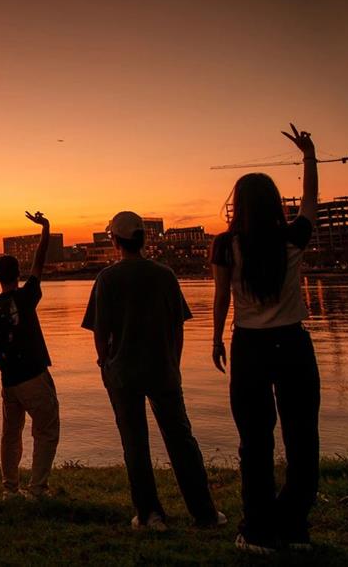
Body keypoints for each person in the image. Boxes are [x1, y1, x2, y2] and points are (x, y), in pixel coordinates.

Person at [211, 124, 321, 554]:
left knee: (254, 441)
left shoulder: (226, 246)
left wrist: (216, 338)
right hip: (293, 345)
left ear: (238, 206)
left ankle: (258, 530)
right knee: (302, 436)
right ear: (276, 204)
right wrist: (309, 155)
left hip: (251, 346)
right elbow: (311, 202)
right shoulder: (293, 239)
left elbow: (222, 296)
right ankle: (294, 526)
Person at [82, 210, 226, 532]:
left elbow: (99, 331)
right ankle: (204, 513)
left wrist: (104, 361)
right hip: (163, 370)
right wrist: (174, 363)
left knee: (135, 443)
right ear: (144, 239)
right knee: (181, 439)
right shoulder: (165, 275)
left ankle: (149, 514)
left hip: (123, 374)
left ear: (115, 240)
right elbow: (178, 327)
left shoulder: (107, 278)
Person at [0, 211, 59, 498]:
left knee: (11, 433)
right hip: (33, 375)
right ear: (18, 274)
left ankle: (10, 487)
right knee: (46, 430)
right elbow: (39, 261)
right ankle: (38, 487)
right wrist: (45, 229)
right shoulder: (26, 297)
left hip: (8, 380)